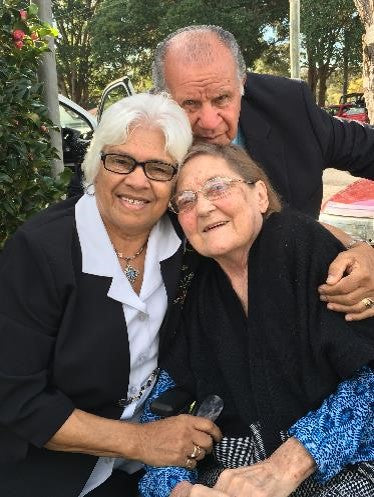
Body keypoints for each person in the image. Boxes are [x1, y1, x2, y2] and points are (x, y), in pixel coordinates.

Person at [0, 93, 221, 497]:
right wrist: (143, 442)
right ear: (96, 164)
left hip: (150, 469)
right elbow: (17, 398)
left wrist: (357, 251)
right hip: (50, 470)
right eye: (120, 161)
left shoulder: (187, 239)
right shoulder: (39, 251)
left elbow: (257, 224)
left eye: (158, 168)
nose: (137, 181)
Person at [140, 143, 374, 497]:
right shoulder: (192, 281)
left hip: (340, 464)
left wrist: (287, 465)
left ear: (260, 195)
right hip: (231, 468)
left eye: (218, 187)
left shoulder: (302, 246)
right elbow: (165, 399)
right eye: (185, 200)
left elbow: (368, 383)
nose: (202, 207)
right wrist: (176, 489)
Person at [151, 24, 374, 320]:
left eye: (222, 99)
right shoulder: (143, 134)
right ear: (162, 99)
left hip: (309, 305)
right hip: (194, 314)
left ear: (242, 83)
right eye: (190, 104)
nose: (208, 121)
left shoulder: (289, 107)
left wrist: (369, 253)